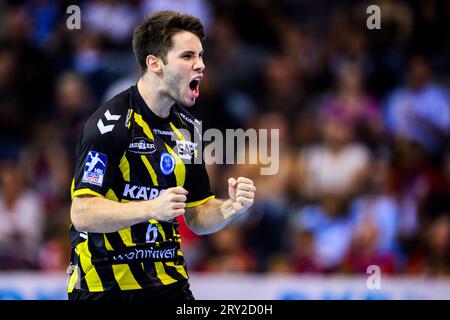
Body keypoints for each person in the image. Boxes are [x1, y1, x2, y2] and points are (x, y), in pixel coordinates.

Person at [67, 10, 256, 300]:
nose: (201, 65)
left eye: (201, 56)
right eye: (188, 56)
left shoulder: (189, 128)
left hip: (168, 283)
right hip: (105, 286)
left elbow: (196, 212)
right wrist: (150, 208)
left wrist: (231, 208)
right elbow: (82, 212)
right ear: (155, 64)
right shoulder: (110, 124)